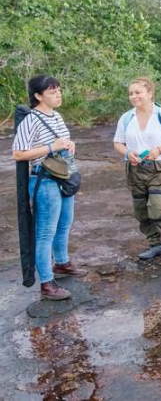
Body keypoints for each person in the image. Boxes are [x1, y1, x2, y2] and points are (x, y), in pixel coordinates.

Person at [12, 75, 87, 301]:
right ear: (38, 96)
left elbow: (62, 142)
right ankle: (46, 283)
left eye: (59, 90)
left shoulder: (57, 116)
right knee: (45, 232)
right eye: (52, 92)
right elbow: (18, 153)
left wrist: (69, 144)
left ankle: (61, 263)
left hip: (63, 176)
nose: (58, 95)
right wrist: (51, 147)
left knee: (64, 224)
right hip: (44, 180)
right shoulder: (31, 120)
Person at [113, 77, 161, 266]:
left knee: (158, 207)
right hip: (135, 168)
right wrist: (128, 153)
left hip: (158, 167)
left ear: (150, 93)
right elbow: (118, 143)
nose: (134, 96)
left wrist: (158, 150)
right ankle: (155, 244)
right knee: (141, 209)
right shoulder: (127, 117)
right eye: (131, 93)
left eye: (138, 92)